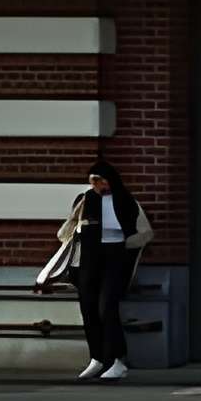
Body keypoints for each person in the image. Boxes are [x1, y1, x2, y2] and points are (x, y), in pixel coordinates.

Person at [57, 156, 152, 382]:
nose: (97, 185)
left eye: (100, 180)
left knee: (106, 307)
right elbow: (67, 229)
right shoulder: (85, 200)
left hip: (114, 260)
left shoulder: (126, 201)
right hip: (88, 261)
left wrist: (124, 245)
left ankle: (117, 359)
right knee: (88, 309)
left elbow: (145, 233)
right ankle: (97, 358)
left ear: (110, 180)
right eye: (93, 181)